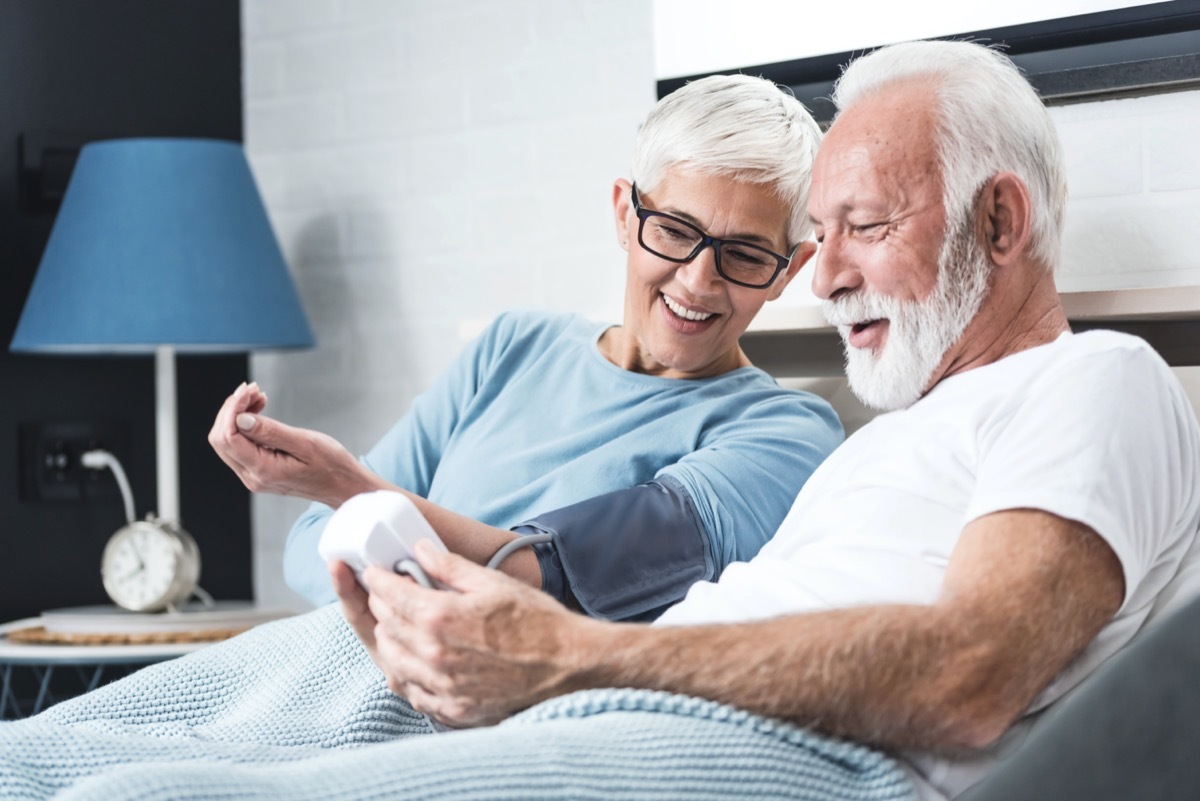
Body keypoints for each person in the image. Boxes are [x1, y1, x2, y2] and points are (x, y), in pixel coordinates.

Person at [2, 39, 1198, 801]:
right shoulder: (887, 441)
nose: (822, 279)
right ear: (626, 214)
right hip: (620, 687)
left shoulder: (1098, 379)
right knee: (48, 763)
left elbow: (974, 673)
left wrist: (567, 657)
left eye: (861, 229)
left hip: (763, 742)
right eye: (819, 237)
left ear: (998, 224)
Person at [208, 73, 843, 619]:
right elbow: (311, 539)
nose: (698, 281)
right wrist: (345, 496)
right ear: (625, 214)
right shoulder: (514, 347)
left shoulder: (785, 436)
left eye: (745, 254)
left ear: (790, 270)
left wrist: (350, 489)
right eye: (676, 232)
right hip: (328, 650)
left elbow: (558, 574)